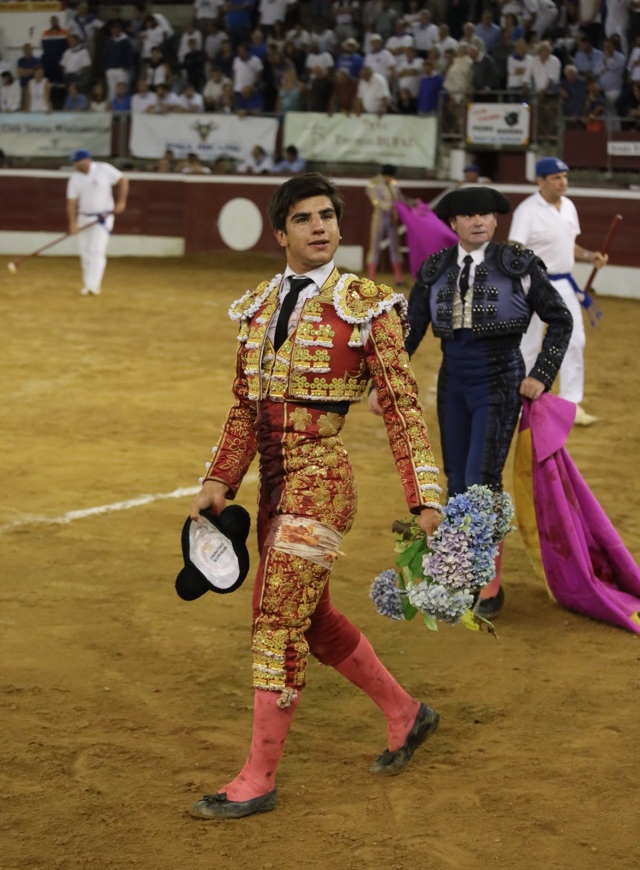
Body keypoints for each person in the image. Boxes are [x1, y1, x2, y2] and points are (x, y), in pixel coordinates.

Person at [188, 172, 443, 821]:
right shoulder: (256, 307)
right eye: (304, 218)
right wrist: (218, 478)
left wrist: (425, 495)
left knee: (276, 621)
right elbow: (245, 408)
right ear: (281, 232)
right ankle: (406, 712)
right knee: (315, 620)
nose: (322, 226)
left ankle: (257, 779)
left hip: (323, 485)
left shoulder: (368, 304)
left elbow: (401, 407)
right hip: (274, 490)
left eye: (328, 215)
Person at [369, 186, 573, 619]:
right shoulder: (436, 268)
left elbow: (560, 317)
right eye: (469, 216)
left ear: (496, 221)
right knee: (457, 475)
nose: (479, 221)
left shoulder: (518, 265)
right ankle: (464, 571)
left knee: (482, 478)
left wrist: (542, 374)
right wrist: (384, 383)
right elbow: (412, 331)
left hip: (499, 377)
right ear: (454, 224)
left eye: (485, 214)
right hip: (453, 378)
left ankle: (489, 583)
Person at [508, 157, 608, 426]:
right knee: (526, 345)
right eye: (555, 177)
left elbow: (569, 245)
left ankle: (571, 403)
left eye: (564, 176)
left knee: (574, 341)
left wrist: (590, 255)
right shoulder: (527, 211)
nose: (563, 182)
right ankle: (519, 403)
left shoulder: (569, 207)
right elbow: (514, 248)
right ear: (540, 181)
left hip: (564, 284)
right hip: (531, 284)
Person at [66, 149, 129, 296]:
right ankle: (88, 283)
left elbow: (123, 180)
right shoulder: (75, 178)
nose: (74, 164)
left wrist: (121, 202)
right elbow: (71, 202)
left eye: (76, 161)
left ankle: (93, 285)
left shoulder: (103, 169)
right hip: (84, 217)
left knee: (96, 250)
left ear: (86, 160)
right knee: (85, 251)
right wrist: (73, 223)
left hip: (103, 217)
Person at [366, 164, 405, 285]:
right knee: (375, 246)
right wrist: (391, 207)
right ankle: (371, 279)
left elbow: (399, 198)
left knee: (395, 246)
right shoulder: (374, 182)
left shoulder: (392, 183)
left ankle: (399, 278)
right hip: (379, 217)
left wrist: (408, 204)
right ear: (386, 175)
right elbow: (375, 201)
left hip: (392, 218)